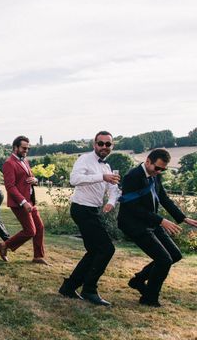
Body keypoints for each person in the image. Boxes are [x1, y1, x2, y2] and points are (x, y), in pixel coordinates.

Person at [118, 149, 197, 307]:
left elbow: (163, 198)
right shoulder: (132, 177)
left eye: (163, 169)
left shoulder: (155, 175)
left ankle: (138, 280)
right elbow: (133, 208)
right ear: (148, 161)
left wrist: (183, 217)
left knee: (175, 255)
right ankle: (149, 298)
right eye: (157, 168)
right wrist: (161, 220)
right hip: (133, 224)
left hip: (151, 223)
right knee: (163, 260)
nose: (159, 171)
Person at [58, 131, 120, 306]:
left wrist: (112, 202)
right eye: (101, 143)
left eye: (108, 144)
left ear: (111, 146)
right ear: (94, 144)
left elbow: (114, 188)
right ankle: (89, 290)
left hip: (93, 210)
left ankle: (69, 287)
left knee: (94, 251)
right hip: (81, 209)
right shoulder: (85, 159)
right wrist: (101, 177)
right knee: (107, 249)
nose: (104, 147)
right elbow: (74, 179)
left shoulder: (107, 167)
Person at [0, 136, 48, 265]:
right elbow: (10, 186)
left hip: (30, 201)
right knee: (30, 231)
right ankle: (4, 245)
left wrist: (35, 180)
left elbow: (29, 177)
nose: (26, 150)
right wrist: (23, 202)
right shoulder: (9, 163)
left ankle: (38, 256)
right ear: (15, 148)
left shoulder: (24, 160)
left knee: (40, 227)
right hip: (19, 203)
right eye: (24, 148)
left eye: (28, 148)